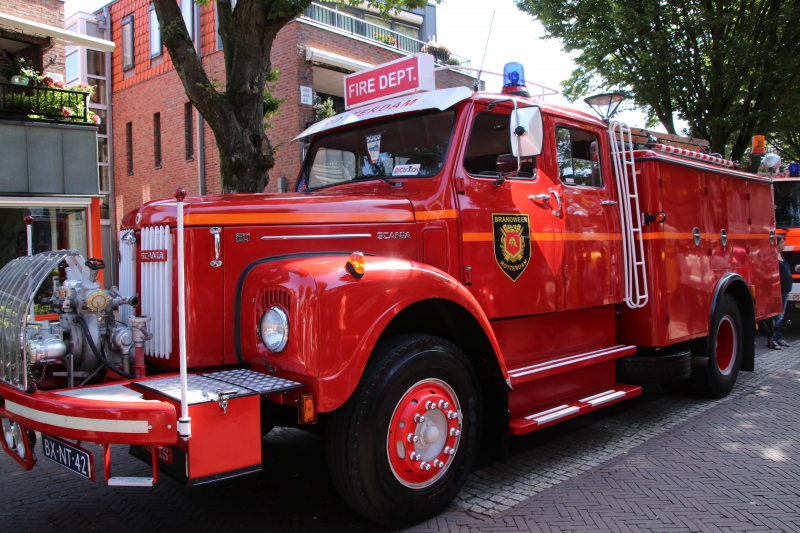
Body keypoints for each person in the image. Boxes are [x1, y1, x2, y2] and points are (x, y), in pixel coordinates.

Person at [771, 235, 793, 349]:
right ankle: (772, 340)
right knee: (777, 317)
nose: (784, 244)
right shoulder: (774, 257)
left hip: (785, 291)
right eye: (783, 242)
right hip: (778, 291)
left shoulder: (782, 256)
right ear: (777, 243)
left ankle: (779, 338)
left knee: (781, 316)